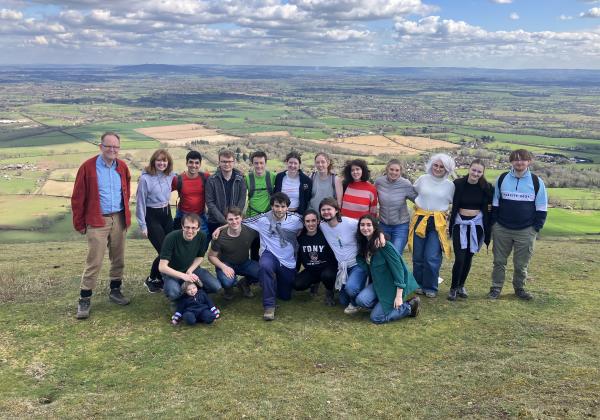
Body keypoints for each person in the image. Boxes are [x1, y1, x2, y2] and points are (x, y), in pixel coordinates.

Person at [72, 131, 131, 319]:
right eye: (109, 146)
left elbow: (126, 190)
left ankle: (115, 290)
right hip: (97, 219)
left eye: (116, 147)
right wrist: (79, 223)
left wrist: (124, 214)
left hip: (119, 218)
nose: (112, 149)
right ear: (101, 147)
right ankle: (85, 299)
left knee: (118, 258)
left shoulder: (122, 166)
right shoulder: (87, 168)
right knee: (94, 261)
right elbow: (78, 198)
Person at [488, 149, 548, 300]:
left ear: (529, 162)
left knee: (521, 264)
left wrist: (535, 228)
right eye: (515, 159)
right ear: (511, 162)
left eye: (523, 159)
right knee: (499, 262)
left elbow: (541, 207)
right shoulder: (502, 179)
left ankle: (519, 289)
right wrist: (494, 223)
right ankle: (496, 288)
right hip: (502, 228)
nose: (519, 162)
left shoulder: (536, 182)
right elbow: (495, 203)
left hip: (526, 230)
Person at [241, 192, 303, 321]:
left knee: (285, 295)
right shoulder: (262, 219)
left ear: (287, 207)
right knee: (265, 266)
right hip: (269, 254)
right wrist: (220, 229)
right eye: (276, 206)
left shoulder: (296, 219)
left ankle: (254, 282)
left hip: (287, 260)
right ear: (271, 206)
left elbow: (311, 223)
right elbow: (240, 222)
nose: (279, 210)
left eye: (282, 206)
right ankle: (269, 306)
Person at [354, 215, 421, 324]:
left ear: (375, 227)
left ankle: (409, 307)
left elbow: (398, 270)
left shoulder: (385, 246)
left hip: (393, 287)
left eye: (368, 225)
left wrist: (399, 296)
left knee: (376, 318)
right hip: (379, 284)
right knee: (361, 301)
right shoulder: (364, 243)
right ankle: (383, 304)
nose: (365, 228)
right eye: (362, 225)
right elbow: (364, 261)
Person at [408, 153, 455, 298]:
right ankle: (418, 284)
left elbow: (454, 202)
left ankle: (430, 286)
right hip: (420, 219)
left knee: (431, 256)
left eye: (442, 166)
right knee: (418, 255)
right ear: (431, 165)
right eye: (436, 165)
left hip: (437, 221)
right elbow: (413, 191)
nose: (438, 168)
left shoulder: (450, 185)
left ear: (447, 169)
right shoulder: (423, 179)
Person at [448, 159, 493, 301]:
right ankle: (453, 287)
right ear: (469, 168)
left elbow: (491, 207)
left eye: (479, 171)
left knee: (468, 257)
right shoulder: (458, 184)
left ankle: (461, 285)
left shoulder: (486, 187)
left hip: (476, 226)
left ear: (483, 173)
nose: (476, 173)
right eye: (474, 170)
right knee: (460, 258)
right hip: (459, 225)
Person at [135, 149, 177, 293]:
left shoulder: (170, 175)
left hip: (167, 213)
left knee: (171, 247)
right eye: (159, 160)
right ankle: (152, 279)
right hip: (152, 216)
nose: (162, 163)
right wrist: (143, 225)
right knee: (164, 251)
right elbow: (140, 202)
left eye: (164, 160)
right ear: (154, 161)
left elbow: (184, 179)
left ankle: (159, 278)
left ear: (168, 162)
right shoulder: (145, 179)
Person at [319, 197, 368, 314]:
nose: (326, 212)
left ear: (336, 210)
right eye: (323, 210)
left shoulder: (350, 223)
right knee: (343, 301)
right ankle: (357, 289)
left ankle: (364, 295)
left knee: (351, 289)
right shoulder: (322, 225)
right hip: (343, 267)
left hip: (357, 264)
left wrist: (380, 235)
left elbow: (369, 227)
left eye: (329, 209)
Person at [159, 213, 221, 302]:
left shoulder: (202, 236)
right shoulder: (171, 237)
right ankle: (182, 295)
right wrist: (183, 276)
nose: (190, 231)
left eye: (193, 228)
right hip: (172, 273)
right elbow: (162, 267)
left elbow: (200, 257)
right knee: (174, 292)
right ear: (182, 226)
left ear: (198, 228)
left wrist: (190, 270)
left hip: (192, 270)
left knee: (216, 286)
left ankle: (194, 293)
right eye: (187, 227)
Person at [207, 206, 259, 300]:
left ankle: (244, 283)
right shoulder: (219, 236)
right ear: (226, 220)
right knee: (227, 281)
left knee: (263, 272)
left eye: (237, 218)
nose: (234, 222)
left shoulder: (250, 230)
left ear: (241, 218)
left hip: (245, 263)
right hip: (227, 264)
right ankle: (228, 289)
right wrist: (224, 267)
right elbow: (211, 256)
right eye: (230, 219)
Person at [294, 210, 337, 306]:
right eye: (307, 221)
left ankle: (329, 291)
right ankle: (315, 283)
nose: (311, 224)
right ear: (304, 223)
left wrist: (334, 269)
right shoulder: (300, 238)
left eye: (313, 220)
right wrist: (295, 272)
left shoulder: (325, 235)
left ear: (318, 221)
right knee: (297, 284)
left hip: (326, 269)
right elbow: (299, 258)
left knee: (327, 276)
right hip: (311, 270)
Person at [374, 159, 417, 254]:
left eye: (397, 170)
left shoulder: (405, 184)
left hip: (400, 226)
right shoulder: (379, 182)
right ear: (387, 169)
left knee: (395, 254)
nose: (394, 172)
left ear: (401, 172)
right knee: (383, 254)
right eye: (391, 169)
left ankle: (398, 269)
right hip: (383, 225)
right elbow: (371, 197)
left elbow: (417, 200)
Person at [205, 149, 247, 236]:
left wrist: (234, 218)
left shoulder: (241, 179)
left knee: (233, 248)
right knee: (216, 247)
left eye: (229, 161)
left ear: (234, 162)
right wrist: (225, 221)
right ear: (219, 162)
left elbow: (242, 200)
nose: (227, 164)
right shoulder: (212, 180)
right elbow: (210, 202)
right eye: (223, 161)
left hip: (235, 222)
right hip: (215, 221)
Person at [245, 150, 275, 261]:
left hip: (268, 218)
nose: (259, 166)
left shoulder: (272, 176)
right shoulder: (247, 178)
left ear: (265, 163)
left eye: (261, 163)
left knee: (269, 247)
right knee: (254, 247)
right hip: (252, 219)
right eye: (256, 163)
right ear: (252, 164)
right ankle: (254, 273)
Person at [171, 150, 211, 234]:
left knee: (205, 237)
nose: (194, 165)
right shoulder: (178, 179)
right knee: (180, 239)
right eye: (191, 162)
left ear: (200, 164)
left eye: (197, 163)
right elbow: (163, 190)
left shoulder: (205, 177)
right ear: (186, 163)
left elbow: (219, 178)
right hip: (182, 215)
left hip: (200, 215)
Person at [274, 151, 312, 215]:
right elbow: (275, 194)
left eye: (295, 163)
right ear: (286, 162)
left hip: (298, 214)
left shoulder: (306, 180)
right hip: (279, 213)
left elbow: (307, 198)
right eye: (290, 163)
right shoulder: (279, 177)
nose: (292, 165)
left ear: (299, 165)